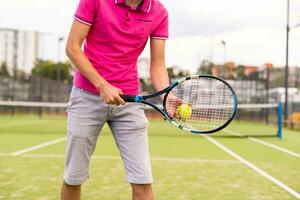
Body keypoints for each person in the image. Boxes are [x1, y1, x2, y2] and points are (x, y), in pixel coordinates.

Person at [61, 0, 172, 199]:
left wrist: (167, 96)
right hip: (87, 97)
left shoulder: (159, 12)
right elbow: (72, 47)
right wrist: (102, 85)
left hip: (129, 103)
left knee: (143, 182)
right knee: (73, 178)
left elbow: (158, 65)